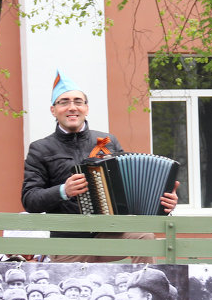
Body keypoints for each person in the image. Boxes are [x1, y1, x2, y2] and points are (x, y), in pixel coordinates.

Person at [19, 70, 178, 263]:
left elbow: (129, 189)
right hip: (69, 239)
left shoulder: (108, 141)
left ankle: (143, 289)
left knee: (144, 237)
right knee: (73, 290)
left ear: (86, 108)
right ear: (53, 110)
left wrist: (163, 203)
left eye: (78, 101)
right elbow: (30, 199)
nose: (72, 107)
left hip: (109, 233)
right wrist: (63, 191)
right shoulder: (41, 148)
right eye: (64, 102)